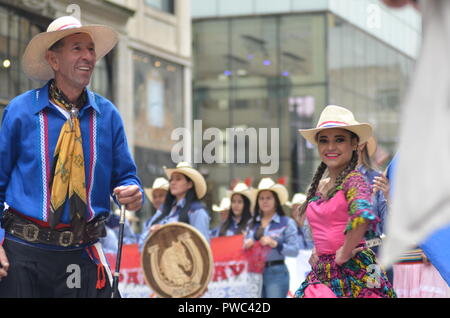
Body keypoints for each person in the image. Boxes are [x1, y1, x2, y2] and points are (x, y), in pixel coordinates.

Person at [0, 16, 143, 297]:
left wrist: (133, 192)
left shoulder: (108, 115)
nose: (88, 56)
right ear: (53, 59)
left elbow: (126, 176)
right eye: (77, 48)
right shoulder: (20, 110)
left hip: (81, 255)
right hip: (23, 254)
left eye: (91, 50)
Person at [294, 105, 395, 298]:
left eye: (339, 139)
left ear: (355, 144)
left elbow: (362, 215)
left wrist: (344, 251)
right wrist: (318, 249)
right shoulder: (321, 187)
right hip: (324, 272)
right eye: (324, 141)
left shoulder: (354, 180)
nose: (330, 147)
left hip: (360, 269)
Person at [244, 178, 299, 298]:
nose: (265, 201)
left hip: (276, 272)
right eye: (261, 198)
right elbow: (242, 249)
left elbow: (294, 250)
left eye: (269, 198)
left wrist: (275, 244)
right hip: (253, 273)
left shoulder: (287, 222)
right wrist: (246, 244)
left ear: (276, 201)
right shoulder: (251, 223)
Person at [138, 162, 210, 252]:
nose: (172, 183)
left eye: (178, 179)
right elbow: (141, 246)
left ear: (189, 184)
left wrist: (165, 233)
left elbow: (202, 247)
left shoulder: (197, 211)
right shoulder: (163, 211)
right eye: (171, 180)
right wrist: (152, 234)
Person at [356, 136, 394, 284]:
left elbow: (388, 227)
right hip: (338, 256)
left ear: (361, 145)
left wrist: (388, 196)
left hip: (372, 253)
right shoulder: (331, 181)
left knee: (374, 291)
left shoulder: (377, 179)